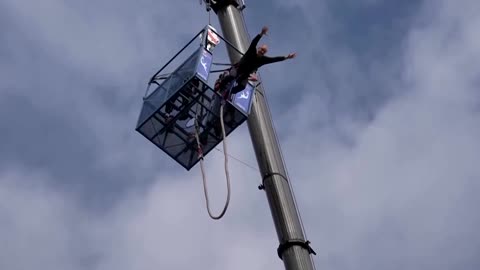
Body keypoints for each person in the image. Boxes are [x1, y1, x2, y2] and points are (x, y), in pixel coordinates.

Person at [219, 26, 296, 94]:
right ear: (258, 48)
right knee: (232, 76)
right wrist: (261, 34)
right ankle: (221, 86)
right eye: (261, 49)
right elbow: (254, 42)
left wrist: (287, 57)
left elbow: (274, 59)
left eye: (264, 51)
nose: (262, 52)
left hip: (245, 74)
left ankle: (229, 92)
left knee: (242, 87)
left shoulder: (263, 60)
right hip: (239, 68)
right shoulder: (252, 51)